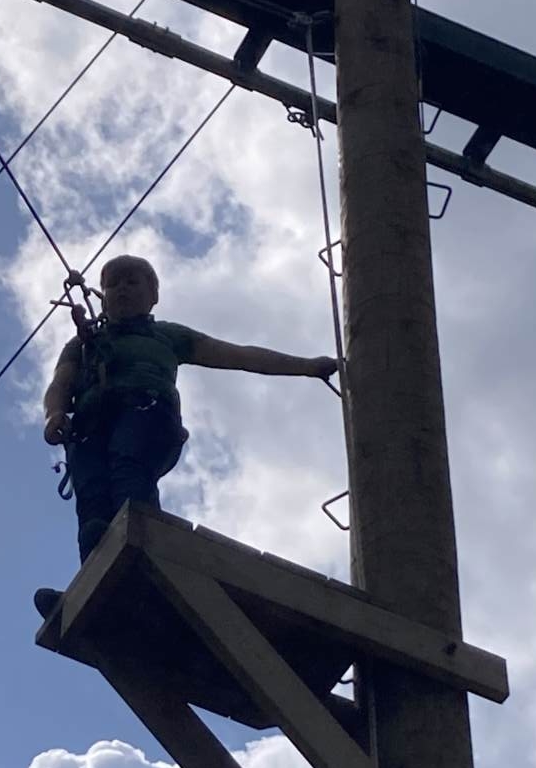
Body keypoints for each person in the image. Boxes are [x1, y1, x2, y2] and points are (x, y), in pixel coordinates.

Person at [34, 254, 338, 619]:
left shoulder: (167, 336)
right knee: (93, 505)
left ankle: (148, 564)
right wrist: (54, 414)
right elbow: (61, 384)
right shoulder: (84, 345)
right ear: (103, 297)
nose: (122, 289)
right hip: (90, 429)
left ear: (153, 296)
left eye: (132, 281)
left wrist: (306, 367)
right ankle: (94, 590)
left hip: (145, 412)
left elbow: (238, 356)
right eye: (113, 284)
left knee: (129, 473)